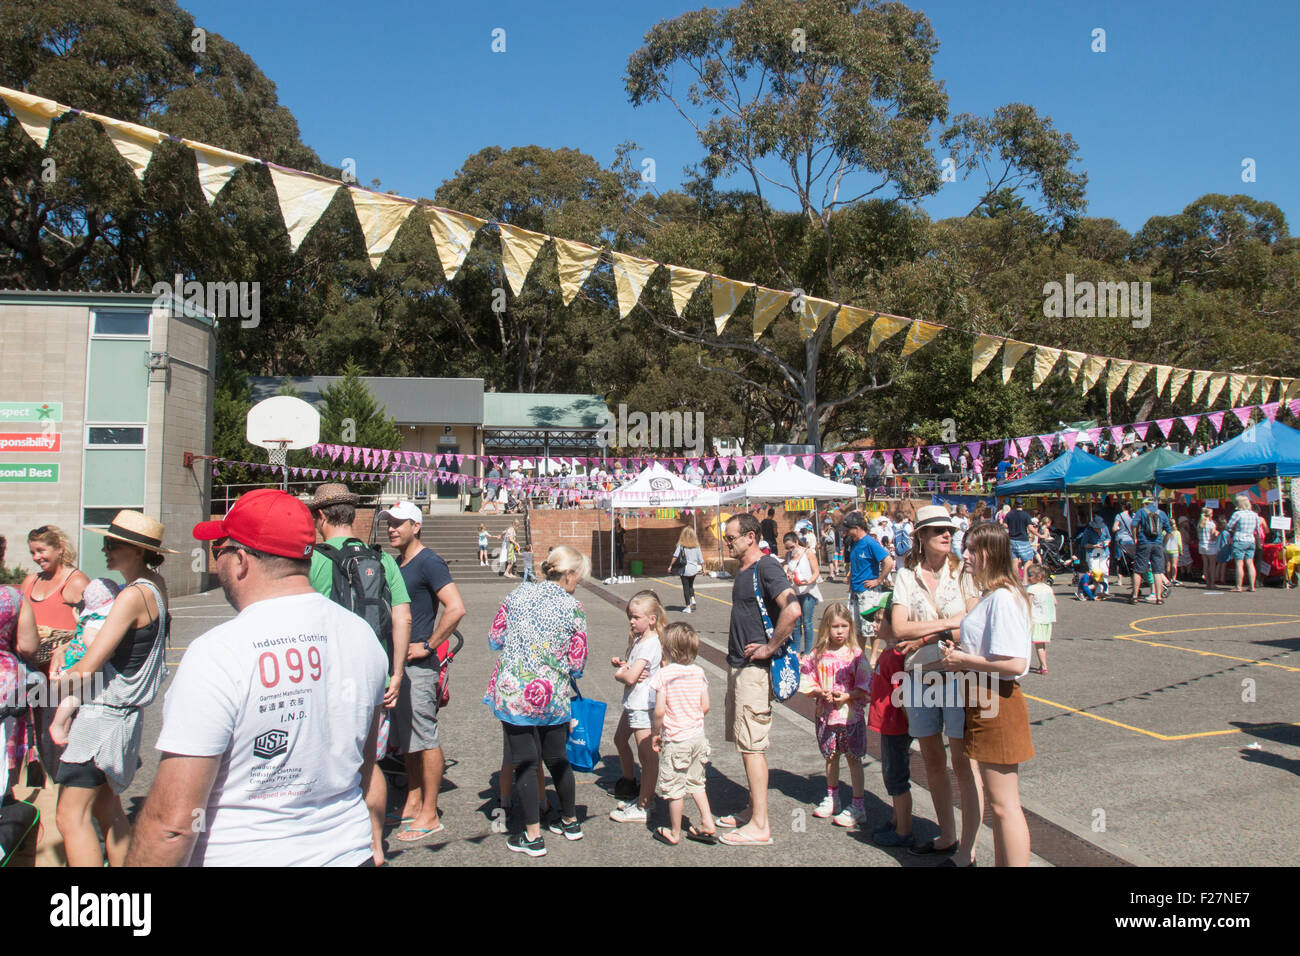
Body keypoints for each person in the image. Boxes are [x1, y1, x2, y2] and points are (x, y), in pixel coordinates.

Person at [128, 490, 387, 866]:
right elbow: (362, 765)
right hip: (346, 853)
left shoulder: (219, 652)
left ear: (241, 560)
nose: (217, 560)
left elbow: (172, 823)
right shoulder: (361, 635)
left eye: (220, 549)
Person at [49, 511, 172, 867]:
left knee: (69, 817)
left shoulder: (132, 595)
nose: (105, 549)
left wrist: (53, 681)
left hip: (102, 719)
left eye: (112, 544)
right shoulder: (156, 585)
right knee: (107, 810)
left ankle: (91, 908)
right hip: (123, 720)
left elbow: (88, 667)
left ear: (136, 550)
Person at [306, 483, 411, 865]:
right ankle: (375, 845)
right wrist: (396, 672)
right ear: (353, 515)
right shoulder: (381, 561)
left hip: (325, 680)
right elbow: (402, 616)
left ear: (320, 517)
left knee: (321, 761)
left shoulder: (312, 561)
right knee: (370, 764)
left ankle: (326, 838)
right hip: (374, 679)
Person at [889, 504, 981, 866]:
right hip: (919, 676)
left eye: (949, 530)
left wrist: (925, 636)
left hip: (958, 672)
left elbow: (970, 627)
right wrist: (949, 625)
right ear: (921, 537)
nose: (948, 534)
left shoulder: (964, 573)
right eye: (938, 530)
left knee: (963, 760)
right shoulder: (906, 576)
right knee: (931, 757)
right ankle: (947, 833)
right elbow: (898, 629)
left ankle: (968, 847)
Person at [940, 521, 1035, 867]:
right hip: (983, 698)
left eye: (972, 550)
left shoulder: (1003, 598)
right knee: (1000, 804)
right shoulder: (995, 596)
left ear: (989, 554)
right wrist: (965, 652)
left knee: (1004, 805)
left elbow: (1014, 663)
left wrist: (965, 658)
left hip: (997, 699)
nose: (964, 556)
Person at [484, 546, 590, 856]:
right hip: (553, 694)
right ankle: (570, 820)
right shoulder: (574, 607)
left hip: (515, 692)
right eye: (578, 577)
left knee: (526, 763)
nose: (578, 582)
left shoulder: (516, 595)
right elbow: (578, 663)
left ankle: (532, 836)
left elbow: (495, 637)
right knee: (557, 758)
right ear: (568, 574)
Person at [382, 501, 465, 843]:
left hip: (420, 666)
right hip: (401, 664)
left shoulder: (429, 561)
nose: (392, 528)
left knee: (425, 738)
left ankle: (431, 813)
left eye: (399, 523)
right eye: (389, 522)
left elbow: (456, 607)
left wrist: (430, 644)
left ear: (416, 526)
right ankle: (414, 800)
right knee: (409, 741)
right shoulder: (399, 562)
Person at [716, 512, 801, 847]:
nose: (727, 543)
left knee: (752, 746)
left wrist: (770, 647)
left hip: (754, 670)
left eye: (731, 537)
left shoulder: (766, 567)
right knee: (744, 742)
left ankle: (760, 825)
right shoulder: (745, 570)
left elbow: (791, 609)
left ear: (750, 537)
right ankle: (752, 809)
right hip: (739, 666)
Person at [800, 603, 871, 828]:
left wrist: (847, 696)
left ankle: (858, 805)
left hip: (850, 717)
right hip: (826, 715)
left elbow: (865, 685)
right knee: (831, 757)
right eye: (834, 626)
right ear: (826, 628)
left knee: (853, 759)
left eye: (844, 626)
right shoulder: (818, 654)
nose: (839, 631)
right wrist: (820, 691)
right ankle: (833, 797)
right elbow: (806, 677)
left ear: (850, 627)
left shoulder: (856, 655)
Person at [649, 622, 717, 846]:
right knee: (697, 782)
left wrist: (655, 732)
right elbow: (705, 705)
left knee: (674, 787)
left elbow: (659, 710)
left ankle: (675, 831)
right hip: (697, 736)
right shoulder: (698, 672)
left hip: (676, 738)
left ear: (668, 650)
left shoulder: (665, 675)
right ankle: (707, 821)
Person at [609, 590, 664, 824]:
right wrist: (625, 665)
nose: (631, 621)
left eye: (636, 617)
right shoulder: (640, 639)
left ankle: (645, 804)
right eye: (630, 616)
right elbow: (634, 671)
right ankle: (634, 787)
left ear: (651, 619)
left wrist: (621, 674)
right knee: (620, 739)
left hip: (643, 705)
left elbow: (631, 678)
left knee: (647, 756)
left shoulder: (651, 643)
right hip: (634, 703)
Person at [48, 577, 120, 746]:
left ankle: (63, 727)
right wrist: (105, 652)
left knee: (72, 697)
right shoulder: (97, 621)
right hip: (79, 664)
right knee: (74, 696)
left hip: (73, 660)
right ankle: (57, 725)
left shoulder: (90, 617)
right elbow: (88, 637)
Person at [866, 600, 913, 847]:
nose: (873, 626)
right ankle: (896, 820)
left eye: (877, 620)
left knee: (896, 778)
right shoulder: (887, 652)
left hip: (895, 726)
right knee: (891, 775)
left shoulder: (895, 656)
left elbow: (902, 694)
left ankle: (904, 830)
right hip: (888, 725)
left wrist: (907, 725)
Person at [841, 511, 894, 665]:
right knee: (858, 627)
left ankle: (873, 657)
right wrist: (850, 575)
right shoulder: (854, 543)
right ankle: (861, 656)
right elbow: (857, 562)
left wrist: (878, 580)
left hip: (868, 591)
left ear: (857, 528)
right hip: (855, 589)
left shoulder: (870, 542)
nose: (846, 532)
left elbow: (888, 561)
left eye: (849, 529)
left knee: (872, 627)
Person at [783, 531, 822, 658]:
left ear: (796, 542)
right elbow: (786, 567)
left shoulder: (808, 553)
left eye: (791, 547)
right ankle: (797, 650)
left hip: (808, 591)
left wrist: (808, 581)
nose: (790, 550)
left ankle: (807, 652)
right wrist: (787, 573)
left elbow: (816, 572)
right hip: (794, 591)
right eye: (787, 548)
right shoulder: (788, 555)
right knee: (796, 623)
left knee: (807, 621)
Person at [1131, 497, 1172, 604]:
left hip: (1144, 543)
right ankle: (1159, 598)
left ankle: (1134, 596)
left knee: (1138, 570)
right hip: (1157, 544)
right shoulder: (1161, 513)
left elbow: (1134, 524)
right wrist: (1163, 542)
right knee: (1158, 571)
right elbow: (1169, 530)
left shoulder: (1141, 512)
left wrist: (1135, 537)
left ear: (1144, 504)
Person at [1225, 495, 1262, 593]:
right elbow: (1257, 529)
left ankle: (1238, 586)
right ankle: (1252, 586)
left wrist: (1234, 529)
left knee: (1239, 563)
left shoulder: (1237, 514)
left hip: (1239, 539)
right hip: (1251, 539)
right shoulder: (1254, 515)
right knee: (1250, 563)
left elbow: (1228, 527)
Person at [1025, 563, 1055, 675]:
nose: (1028, 577)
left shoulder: (1032, 588)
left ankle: (1043, 666)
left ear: (1038, 577)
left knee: (1036, 643)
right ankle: (1043, 664)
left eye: (1030, 575)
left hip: (1035, 620)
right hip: (1047, 620)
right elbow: (1055, 602)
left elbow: (1028, 604)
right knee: (1041, 644)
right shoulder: (1048, 588)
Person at [668, 527, 704, 613]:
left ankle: (688, 606)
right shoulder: (697, 546)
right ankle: (693, 599)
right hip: (693, 570)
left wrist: (670, 566)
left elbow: (675, 556)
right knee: (691, 585)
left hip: (684, 570)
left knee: (685, 587)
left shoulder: (681, 546)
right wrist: (704, 569)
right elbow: (701, 559)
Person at [1004, 498, 1035, 580]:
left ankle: (1015, 581)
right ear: (1023, 505)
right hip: (1023, 540)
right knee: (1028, 560)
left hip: (1012, 540)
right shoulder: (1025, 515)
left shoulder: (1009, 514)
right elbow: (1030, 528)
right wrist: (1040, 535)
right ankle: (1025, 580)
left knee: (1014, 561)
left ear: (1015, 505)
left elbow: (1005, 525)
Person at [1198, 508, 1219, 590]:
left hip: (1202, 544)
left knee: (1205, 565)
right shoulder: (1211, 524)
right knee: (1212, 565)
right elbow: (1213, 537)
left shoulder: (1200, 523)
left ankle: (1207, 583)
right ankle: (1212, 583)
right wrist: (1217, 533)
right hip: (1210, 545)